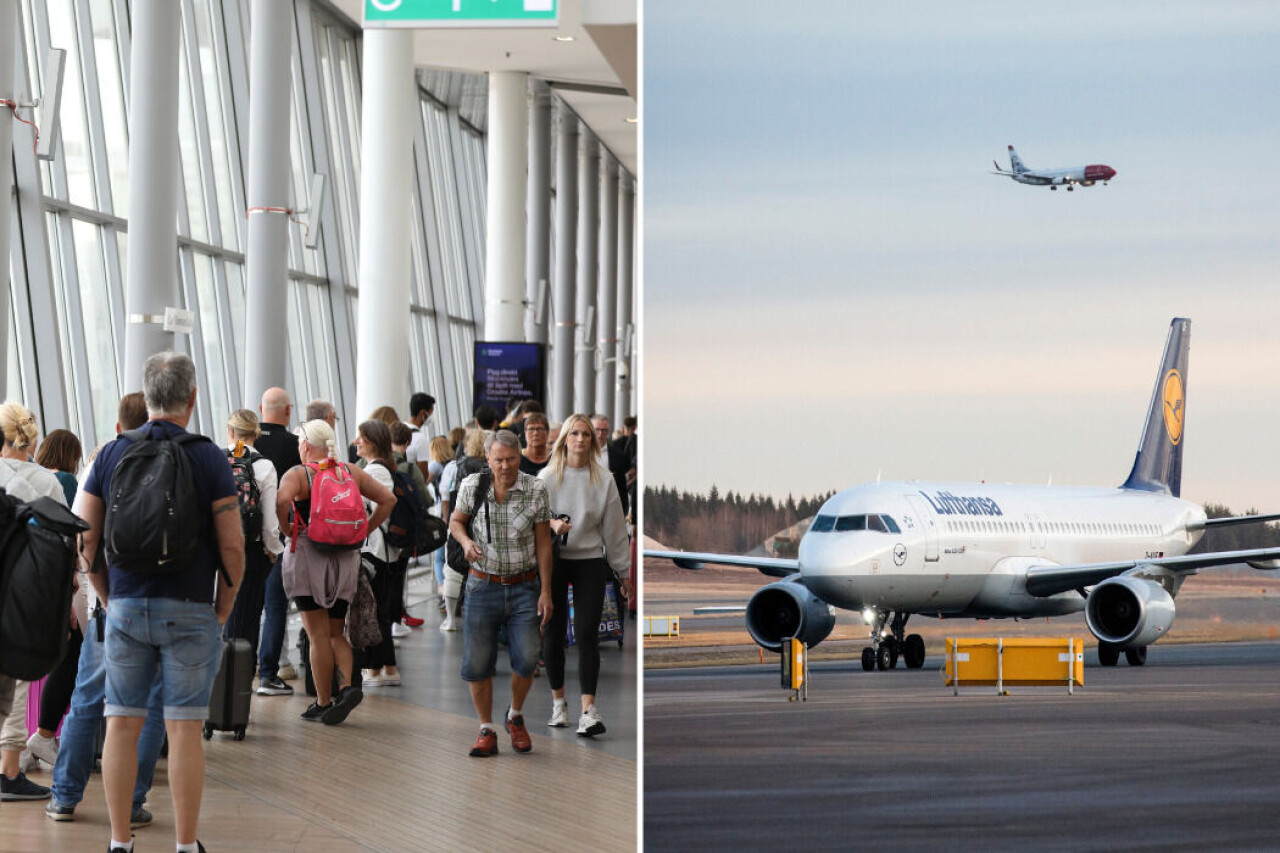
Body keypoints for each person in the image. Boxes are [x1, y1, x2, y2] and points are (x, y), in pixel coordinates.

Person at [80, 351, 245, 853]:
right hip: (193, 606)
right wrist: (223, 605)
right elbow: (233, 545)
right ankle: (185, 844)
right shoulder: (210, 457)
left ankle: (118, 842)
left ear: (147, 396)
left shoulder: (110, 454)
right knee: (185, 729)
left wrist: (109, 597)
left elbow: (85, 538)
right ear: (192, 398)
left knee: (121, 724)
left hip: (127, 606)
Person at [46, 393, 165, 829]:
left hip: (112, 604)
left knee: (87, 701)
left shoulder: (103, 460)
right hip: (164, 605)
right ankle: (132, 803)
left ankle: (64, 798)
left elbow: (84, 538)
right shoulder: (182, 459)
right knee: (149, 707)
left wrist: (103, 596)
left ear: (119, 426)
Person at [276, 419, 394, 723]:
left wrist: (286, 526)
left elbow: (280, 499)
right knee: (335, 631)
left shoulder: (299, 474)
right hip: (345, 559)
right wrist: (365, 529)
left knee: (316, 635)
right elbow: (388, 499)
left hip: (307, 557)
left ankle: (323, 701)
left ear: (304, 445)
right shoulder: (349, 471)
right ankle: (347, 687)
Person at [449, 430, 553, 757]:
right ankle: (486, 729)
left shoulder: (536, 490)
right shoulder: (472, 486)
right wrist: (466, 543)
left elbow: (543, 543)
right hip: (482, 584)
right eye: (499, 460)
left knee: (527, 659)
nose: (505, 466)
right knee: (477, 663)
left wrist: (546, 591)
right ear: (488, 459)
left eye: (511, 459)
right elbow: (456, 521)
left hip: (525, 586)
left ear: (519, 457)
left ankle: (515, 715)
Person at [538, 414, 630, 737]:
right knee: (554, 631)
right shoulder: (546, 478)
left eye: (586, 434)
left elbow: (616, 531)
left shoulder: (603, 480)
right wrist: (551, 524)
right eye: (574, 433)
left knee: (588, 631)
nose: (580, 439)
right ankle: (558, 702)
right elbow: (535, 523)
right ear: (564, 438)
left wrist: (624, 572)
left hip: (590, 559)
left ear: (594, 440)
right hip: (556, 559)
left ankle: (588, 710)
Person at [0, 401, 65, 803]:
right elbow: (63, 543)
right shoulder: (48, 483)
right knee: (18, 677)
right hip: (27, 591)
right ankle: (8, 770)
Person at [25, 427, 84, 768]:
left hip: (23, 579)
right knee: (72, 648)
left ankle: (19, 747)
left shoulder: (28, 475)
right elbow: (71, 533)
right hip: (51, 580)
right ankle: (44, 735)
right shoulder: (64, 481)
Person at [222, 409, 284, 662]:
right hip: (250, 551)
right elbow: (270, 522)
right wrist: (273, 551)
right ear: (256, 435)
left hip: (216, 549)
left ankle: (218, 680)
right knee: (247, 617)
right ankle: (240, 683)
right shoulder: (264, 466)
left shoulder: (215, 459)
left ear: (230, 431)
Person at [255, 388, 302, 697]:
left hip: (245, 538)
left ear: (261, 409)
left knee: (243, 607)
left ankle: (238, 669)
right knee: (275, 607)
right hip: (279, 538)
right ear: (288, 412)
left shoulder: (246, 447)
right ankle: (268, 674)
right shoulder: (294, 446)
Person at [355, 420, 405, 685]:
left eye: (361, 437)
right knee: (378, 610)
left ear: (373, 440)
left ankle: (383, 668)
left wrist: (365, 528)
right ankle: (381, 668)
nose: (356, 442)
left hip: (375, 551)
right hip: (383, 551)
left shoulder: (375, 471)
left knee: (374, 611)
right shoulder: (382, 469)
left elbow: (372, 506)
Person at [440, 428, 488, 632]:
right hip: (484, 524)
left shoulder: (454, 466)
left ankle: (450, 618)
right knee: (481, 570)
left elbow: (445, 494)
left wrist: (447, 521)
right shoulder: (490, 467)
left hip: (458, 521)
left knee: (452, 570)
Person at [389, 422, 428, 630]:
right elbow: (426, 499)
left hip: (374, 535)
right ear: (407, 442)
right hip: (401, 533)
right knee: (398, 578)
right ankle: (396, 623)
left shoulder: (364, 464)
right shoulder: (410, 469)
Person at [427, 436, 454, 613]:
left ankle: (444, 592)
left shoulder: (435, 465)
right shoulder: (453, 464)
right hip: (455, 514)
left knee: (438, 557)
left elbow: (424, 482)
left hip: (441, 515)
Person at [34, 428, 81, 506]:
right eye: (75, 458)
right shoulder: (65, 479)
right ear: (70, 457)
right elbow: (76, 514)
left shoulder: (33, 477)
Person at [405, 392, 435, 481]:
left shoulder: (397, 430)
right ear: (423, 413)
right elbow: (423, 477)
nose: (431, 417)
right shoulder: (420, 439)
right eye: (430, 413)